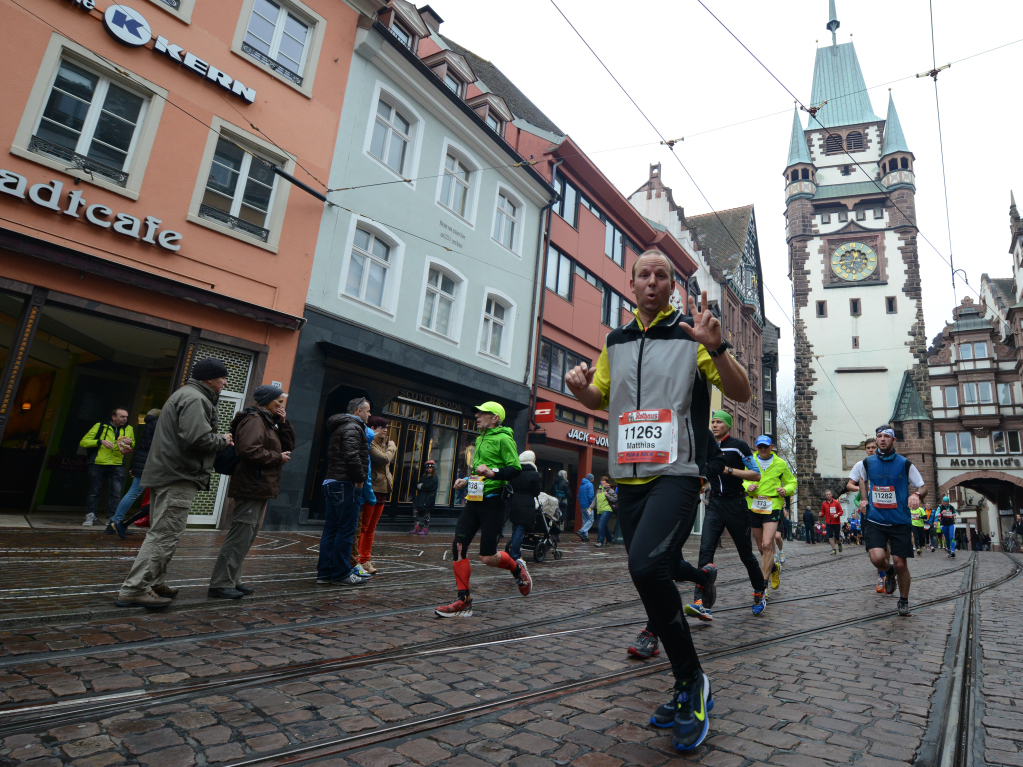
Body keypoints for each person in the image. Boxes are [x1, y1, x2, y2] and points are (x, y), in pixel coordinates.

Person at [565, 248, 752, 752]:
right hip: (628, 478)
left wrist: (716, 349)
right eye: (643, 275)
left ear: (673, 287)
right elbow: (599, 397)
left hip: (676, 473)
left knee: (646, 568)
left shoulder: (691, 337)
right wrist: (579, 387)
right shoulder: (616, 340)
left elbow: (743, 391)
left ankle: (692, 681)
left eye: (662, 275)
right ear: (630, 284)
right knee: (653, 568)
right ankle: (687, 679)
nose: (652, 282)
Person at [114, 358, 233, 607]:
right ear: (210, 378)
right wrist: (222, 439)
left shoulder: (186, 394)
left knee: (164, 532)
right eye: (222, 377)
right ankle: (135, 588)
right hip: (178, 474)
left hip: (169, 472)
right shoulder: (196, 399)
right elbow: (197, 438)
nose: (225, 382)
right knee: (165, 534)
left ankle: (154, 581)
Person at [436, 402, 529, 618]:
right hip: (473, 501)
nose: (477, 416)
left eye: (482, 413)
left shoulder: (505, 438)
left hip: (494, 503)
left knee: (487, 557)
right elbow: (480, 471)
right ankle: (463, 600)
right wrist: (466, 480)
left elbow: (515, 468)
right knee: (458, 546)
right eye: (476, 413)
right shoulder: (479, 439)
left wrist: (493, 472)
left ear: (495, 418)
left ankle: (516, 569)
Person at [208, 384, 295, 599]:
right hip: (251, 484)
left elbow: (289, 444)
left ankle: (233, 579)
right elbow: (249, 450)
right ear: (267, 400)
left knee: (247, 535)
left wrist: (283, 423)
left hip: (259, 485)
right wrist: (277, 458)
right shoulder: (255, 420)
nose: (281, 406)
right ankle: (221, 583)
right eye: (279, 402)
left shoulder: (268, 421)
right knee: (240, 534)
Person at [685, 410, 764, 621]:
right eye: (713, 422)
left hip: (736, 504)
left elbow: (755, 473)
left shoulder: (739, 446)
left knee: (745, 554)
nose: (715, 425)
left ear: (728, 425)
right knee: (705, 551)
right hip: (715, 504)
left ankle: (759, 591)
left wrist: (728, 470)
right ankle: (701, 602)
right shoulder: (707, 446)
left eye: (719, 422)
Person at [857, 425, 926, 617]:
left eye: (886, 436)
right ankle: (889, 571)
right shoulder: (867, 462)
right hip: (875, 519)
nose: (882, 439)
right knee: (877, 558)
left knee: (902, 564)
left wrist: (917, 495)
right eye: (879, 436)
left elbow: (922, 486)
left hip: (899, 521)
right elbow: (861, 479)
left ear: (893, 440)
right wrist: (864, 498)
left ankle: (903, 601)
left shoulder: (905, 464)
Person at [317, 397, 372, 587]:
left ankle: (325, 573)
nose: (369, 414)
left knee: (331, 529)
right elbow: (351, 455)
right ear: (359, 411)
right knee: (346, 530)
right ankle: (340, 573)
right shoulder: (353, 428)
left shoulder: (342, 426)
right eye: (367, 410)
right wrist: (359, 479)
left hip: (333, 482)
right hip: (345, 484)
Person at [744, 435, 796, 612]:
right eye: (760, 447)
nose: (763, 450)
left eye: (766, 447)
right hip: (754, 505)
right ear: (756, 447)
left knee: (768, 545)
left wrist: (786, 490)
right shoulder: (750, 460)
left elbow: (791, 482)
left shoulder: (780, 463)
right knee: (760, 548)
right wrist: (746, 486)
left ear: (772, 446)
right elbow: (743, 479)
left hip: (773, 505)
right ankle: (774, 568)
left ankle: (762, 587)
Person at [350, 416, 396, 576]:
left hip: (382, 489)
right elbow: (384, 459)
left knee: (371, 528)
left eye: (386, 427)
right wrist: (392, 448)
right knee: (364, 527)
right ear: (372, 428)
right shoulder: (370, 442)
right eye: (380, 427)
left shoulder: (383, 443)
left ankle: (366, 559)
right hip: (372, 490)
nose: (384, 430)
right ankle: (359, 560)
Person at [848, 436, 894, 594]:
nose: (871, 450)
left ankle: (883, 576)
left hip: (884, 508)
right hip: (868, 509)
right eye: (868, 448)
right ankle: (884, 570)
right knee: (872, 547)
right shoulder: (861, 465)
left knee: (885, 544)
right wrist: (862, 491)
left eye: (873, 447)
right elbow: (850, 484)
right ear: (865, 449)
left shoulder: (885, 462)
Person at [110, 409, 160, 539]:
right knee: (135, 493)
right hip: (148, 464)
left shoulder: (150, 424)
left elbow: (140, 446)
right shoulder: (157, 424)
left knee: (136, 493)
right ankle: (117, 521)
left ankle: (117, 521)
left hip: (143, 463)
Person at [80, 407, 134, 527]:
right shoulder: (100, 426)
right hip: (98, 462)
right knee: (94, 491)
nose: (125, 419)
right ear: (113, 417)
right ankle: (90, 515)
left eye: (126, 417)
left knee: (116, 492)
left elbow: (133, 444)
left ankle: (112, 517)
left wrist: (130, 443)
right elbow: (84, 442)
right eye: (122, 416)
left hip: (117, 464)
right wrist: (100, 442)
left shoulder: (129, 429)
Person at [508, 451, 543, 560]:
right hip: (527, 503)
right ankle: (515, 554)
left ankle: (513, 551)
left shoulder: (516, 472)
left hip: (515, 502)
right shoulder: (534, 474)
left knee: (515, 528)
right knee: (520, 529)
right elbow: (536, 492)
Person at [411, 461, 438, 535]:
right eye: (428, 468)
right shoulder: (424, 476)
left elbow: (429, 487)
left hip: (428, 499)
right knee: (415, 511)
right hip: (420, 497)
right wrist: (420, 486)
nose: (429, 469)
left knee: (426, 513)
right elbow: (418, 484)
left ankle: (425, 529)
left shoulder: (434, 478)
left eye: (431, 468)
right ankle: (417, 527)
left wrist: (421, 486)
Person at [593, 476, 618, 547]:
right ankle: (610, 540)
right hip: (599, 510)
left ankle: (600, 541)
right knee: (603, 526)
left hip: (607, 510)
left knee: (600, 525)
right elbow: (595, 500)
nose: (601, 481)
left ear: (606, 482)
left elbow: (615, 499)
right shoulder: (598, 490)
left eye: (603, 480)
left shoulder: (610, 490)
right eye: (601, 480)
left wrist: (607, 495)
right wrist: (590, 508)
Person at [821, 490, 844, 555]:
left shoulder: (836, 502)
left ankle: (839, 543)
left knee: (837, 536)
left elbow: (841, 511)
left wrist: (838, 514)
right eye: (827, 495)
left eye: (829, 494)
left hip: (836, 522)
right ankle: (834, 549)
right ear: (825, 496)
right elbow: (823, 512)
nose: (828, 496)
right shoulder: (824, 504)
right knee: (830, 536)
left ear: (831, 495)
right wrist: (821, 514)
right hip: (828, 523)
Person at [576, 473, 595, 541]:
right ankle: (581, 531)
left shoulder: (581, 485)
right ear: (591, 479)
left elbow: (579, 496)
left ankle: (585, 536)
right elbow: (591, 495)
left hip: (582, 506)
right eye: (593, 478)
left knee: (585, 520)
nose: (593, 479)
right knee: (590, 520)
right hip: (588, 506)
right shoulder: (590, 485)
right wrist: (592, 504)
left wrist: (581, 503)